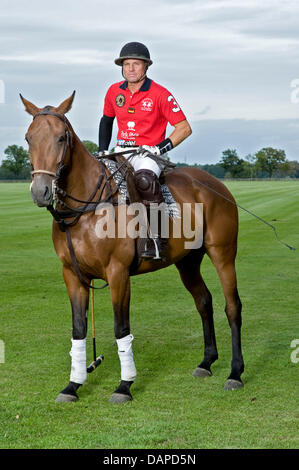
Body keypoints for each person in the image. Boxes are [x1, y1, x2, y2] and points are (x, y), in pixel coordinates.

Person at [98, 41, 192, 260]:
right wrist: (103, 150)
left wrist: (159, 148)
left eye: (136, 64)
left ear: (146, 67)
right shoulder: (114, 91)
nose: (130, 68)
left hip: (149, 155)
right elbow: (106, 120)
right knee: (98, 179)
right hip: (121, 151)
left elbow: (184, 128)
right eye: (127, 64)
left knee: (144, 181)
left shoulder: (160, 94)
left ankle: (157, 239)